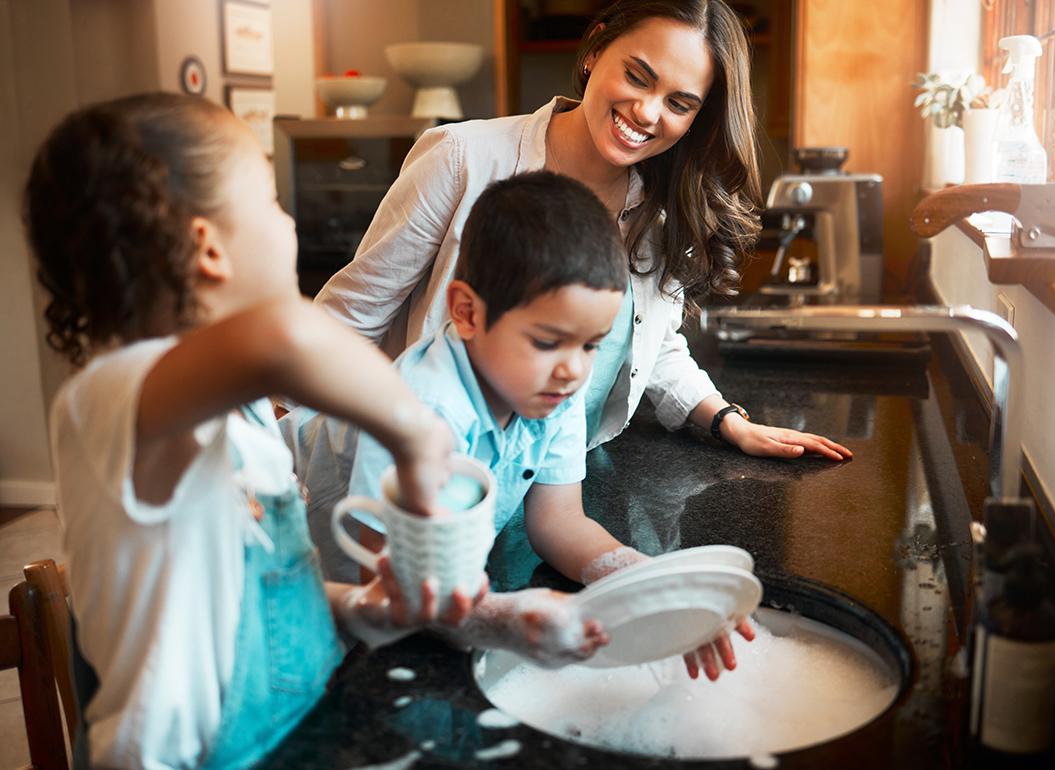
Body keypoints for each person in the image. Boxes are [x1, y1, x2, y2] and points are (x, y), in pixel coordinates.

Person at [23, 93, 485, 770]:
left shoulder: (241, 417)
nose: (289, 220)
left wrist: (361, 606)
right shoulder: (110, 398)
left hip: (293, 733)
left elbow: (249, 594)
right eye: (271, 200)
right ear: (207, 248)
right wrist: (417, 436)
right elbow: (284, 337)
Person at [314, 0, 853, 463]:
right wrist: (265, 461)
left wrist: (726, 421)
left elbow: (652, 344)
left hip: (559, 482)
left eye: (679, 103)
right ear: (595, 49)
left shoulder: (664, 209)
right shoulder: (462, 159)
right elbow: (349, 319)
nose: (646, 112)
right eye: (638, 76)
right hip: (426, 476)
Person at [344, 170, 752, 679]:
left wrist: (651, 587)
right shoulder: (422, 412)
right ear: (467, 312)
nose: (572, 370)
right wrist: (498, 619)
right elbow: (388, 585)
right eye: (545, 342)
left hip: (442, 592)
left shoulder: (549, 390)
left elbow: (558, 523)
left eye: (590, 345)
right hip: (336, 603)